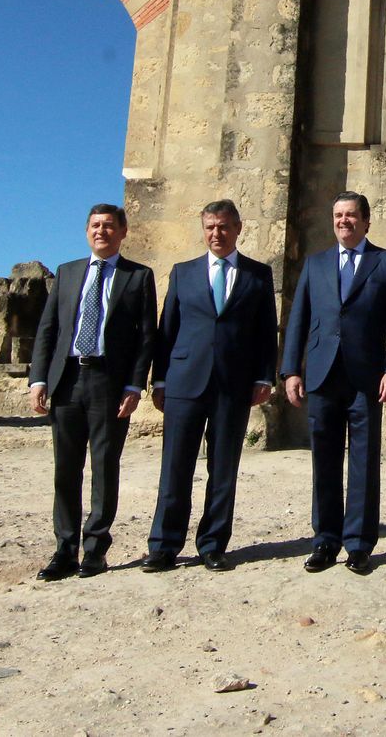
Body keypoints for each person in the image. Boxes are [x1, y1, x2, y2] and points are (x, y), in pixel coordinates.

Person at [281, 191, 386, 575]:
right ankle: (325, 539)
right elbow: (299, 321)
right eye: (338, 215)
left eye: (352, 216)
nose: (344, 222)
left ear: (366, 222)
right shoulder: (315, 264)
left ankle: (358, 543)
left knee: (364, 461)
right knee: (324, 459)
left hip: (366, 378)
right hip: (321, 376)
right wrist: (291, 370)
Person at [142, 201, 277, 573]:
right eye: (210, 227)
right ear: (203, 230)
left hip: (233, 384)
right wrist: (161, 379)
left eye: (223, 226)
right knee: (175, 465)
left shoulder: (257, 275)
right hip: (185, 382)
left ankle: (214, 543)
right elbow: (167, 328)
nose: (216, 233)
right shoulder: (183, 273)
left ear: (238, 228)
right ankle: (164, 545)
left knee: (223, 468)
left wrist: (265, 376)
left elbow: (266, 331)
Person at [28, 204, 157, 581]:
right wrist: (39, 379)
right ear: (87, 231)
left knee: (104, 467)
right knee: (65, 470)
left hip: (109, 383)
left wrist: (135, 384)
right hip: (67, 379)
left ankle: (95, 549)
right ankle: (63, 550)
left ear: (123, 232)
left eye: (109, 226)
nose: (101, 231)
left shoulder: (138, 276)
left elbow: (146, 336)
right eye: (95, 226)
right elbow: (48, 330)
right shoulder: (67, 273)